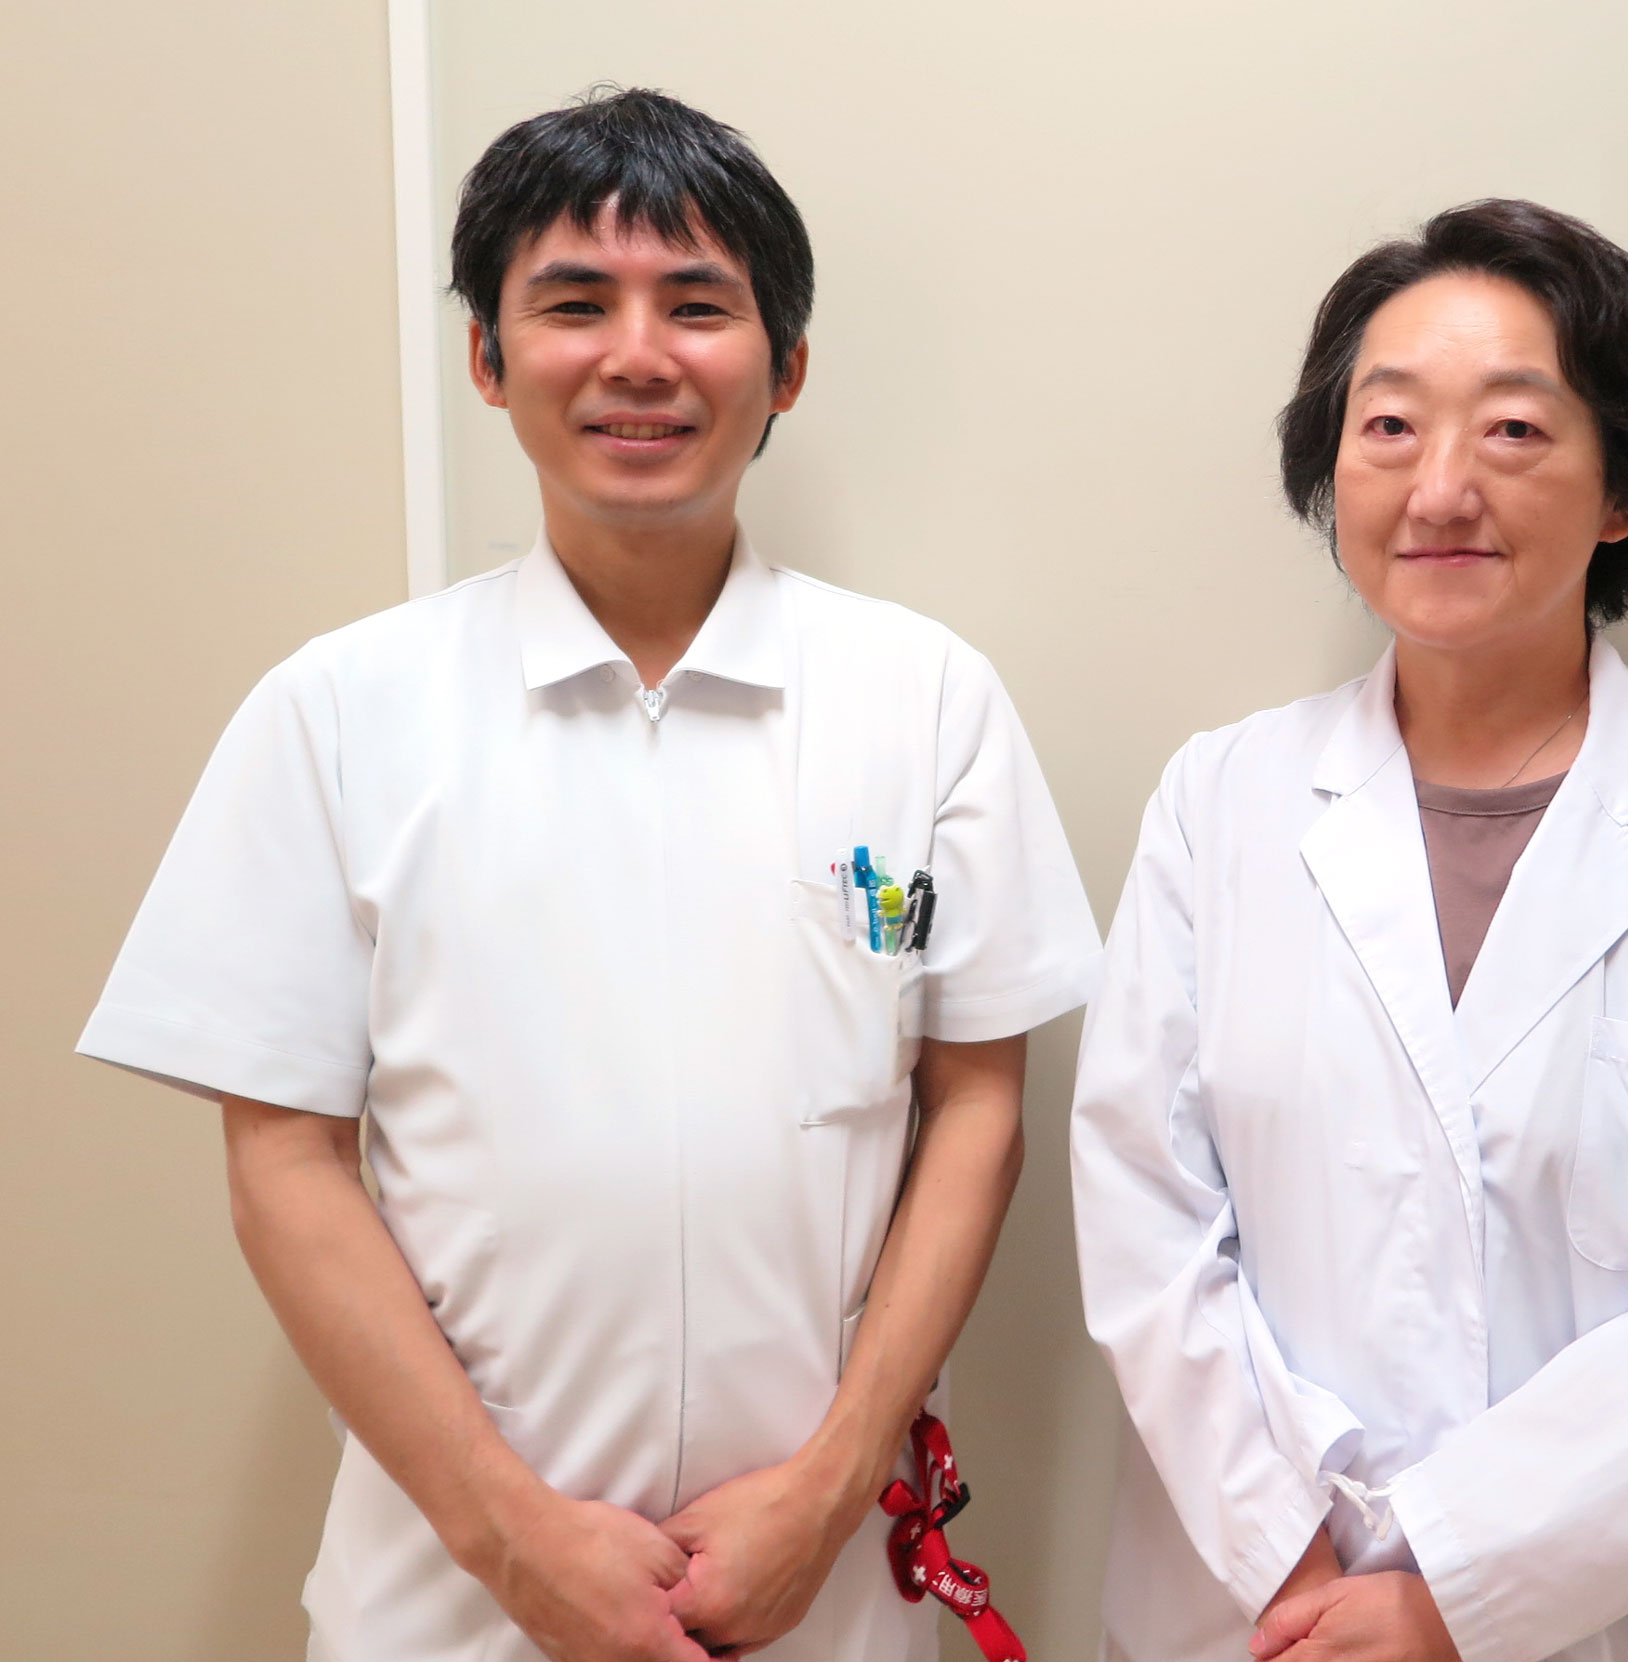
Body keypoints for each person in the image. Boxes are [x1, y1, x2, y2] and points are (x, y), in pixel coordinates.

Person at [78, 88, 1100, 1662]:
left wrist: (831, 1490)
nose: (637, 355)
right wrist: (512, 1535)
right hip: (453, 1602)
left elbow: (976, 1105)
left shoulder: (925, 699)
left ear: (787, 367)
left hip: (816, 1592)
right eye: (573, 304)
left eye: (697, 304)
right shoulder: (340, 712)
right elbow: (284, 1155)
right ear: (487, 359)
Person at [1070, 199, 1628, 1662]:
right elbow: (1149, 1220)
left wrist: (1457, 1589)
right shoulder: (1222, 801)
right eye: (1389, 427)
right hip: (1273, 1600)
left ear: (1621, 490)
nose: (1440, 487)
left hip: (1625, 1612)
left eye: (1513, 430)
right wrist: (1293, 1549)